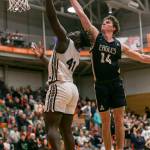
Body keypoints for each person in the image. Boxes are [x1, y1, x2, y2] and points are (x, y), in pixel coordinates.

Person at [70, 0, 150, 149]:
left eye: (107, 22)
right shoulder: (95, 36)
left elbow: (142, 57)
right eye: (104, 21)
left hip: (116, 83)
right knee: (105, 122)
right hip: (100, 85)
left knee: (119, 121)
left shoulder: (119, 45)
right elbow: (81, 14)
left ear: (113, 28)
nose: (103, 23)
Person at [32, 0, 90, 150]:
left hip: (59, 87)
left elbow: (53, 19)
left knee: (51, 127)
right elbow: (55, 67)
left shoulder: (65, 39)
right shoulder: (76, 53)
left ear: (77, 38)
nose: (74, 32)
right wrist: (41, 57)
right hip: (72, 89)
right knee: (66, 130)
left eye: (77, 32)